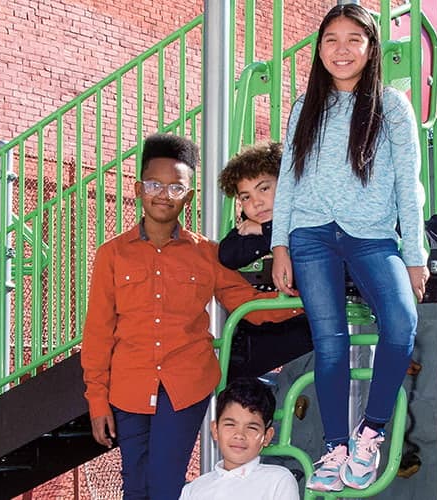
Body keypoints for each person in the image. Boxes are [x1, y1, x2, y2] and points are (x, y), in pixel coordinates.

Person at [81, 133, 302, 500]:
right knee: (134, 487)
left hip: (185, 385)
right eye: (154, 185)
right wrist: (97, 401)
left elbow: (249, 306)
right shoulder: (112, 255)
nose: (163, 195)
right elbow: (99, 332)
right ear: (138, 189)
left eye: (175, 187)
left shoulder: (207, 254)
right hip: (128, 386)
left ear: (189, 195)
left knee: (165, 485)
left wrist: (307, 301)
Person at [268, 4, 428, 492]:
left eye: (353, 39)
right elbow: (290, 181)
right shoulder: (304, 107)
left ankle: (370, 434)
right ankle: (335, 447)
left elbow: (409, 185)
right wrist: (279, 245)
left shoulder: (392, 106)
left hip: (373, 235)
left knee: (401, 321)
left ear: (371, 47)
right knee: (330, 343)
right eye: (331, 39)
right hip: (310, 234)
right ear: (319, 48)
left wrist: (416, 256)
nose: (341, 49)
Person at [218, 141, 315, 379]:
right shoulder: (247, 228)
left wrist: (267, 231)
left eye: (264, 189)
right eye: (246, 197)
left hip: (305, 321)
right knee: (234, 360)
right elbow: (227, 254)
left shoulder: (306, 220)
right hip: (266, 323)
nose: (256, 203)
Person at [180, 378, 301, 500]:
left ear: (267, 436)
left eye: (252, 427)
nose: (239, 435)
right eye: (230, 425)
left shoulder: (278, 481)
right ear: (215, 430)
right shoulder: (194, 490)